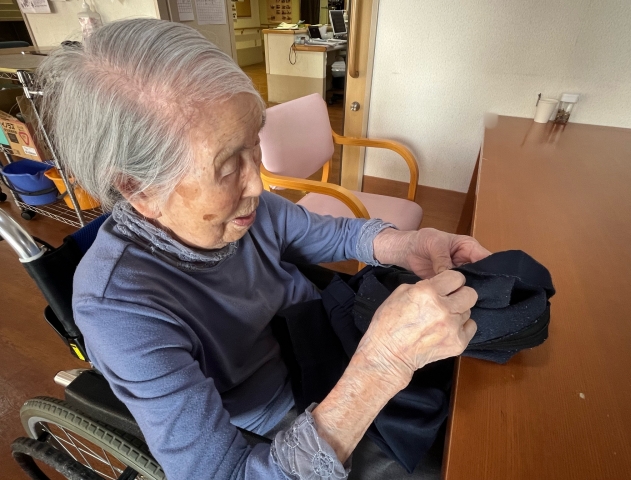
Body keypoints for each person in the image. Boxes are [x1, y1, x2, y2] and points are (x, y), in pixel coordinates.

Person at [38, 19, 489, 480]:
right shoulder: (119, 312)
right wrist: (382, 365)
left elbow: (337, 235)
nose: (257, 185)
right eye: (227, 168)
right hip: (277, 421)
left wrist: (409, 244)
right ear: (139, 188)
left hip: (320, 342)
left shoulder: (248, 210)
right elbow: (222, 474)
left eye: (254, 146)